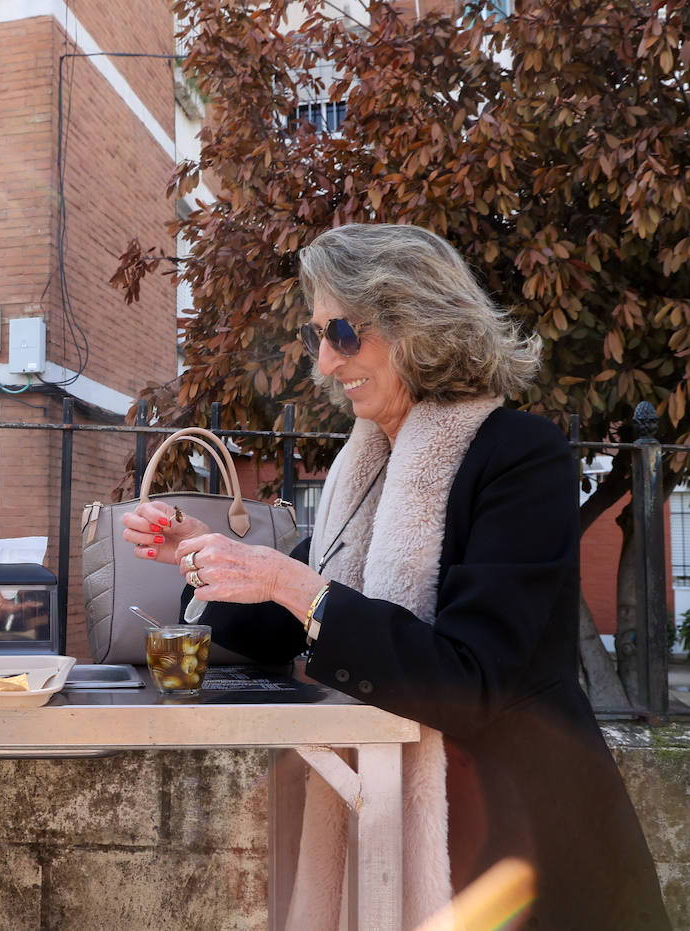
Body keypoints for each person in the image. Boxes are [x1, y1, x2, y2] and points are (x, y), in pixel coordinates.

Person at [122, 224, 670, 929]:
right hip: (395, 823)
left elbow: (471, 677)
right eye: (319, 334)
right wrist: (206, 557)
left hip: (522, 848)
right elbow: (299, 625)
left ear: (414, 323)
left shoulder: (519, 455)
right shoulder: (366, 467)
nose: (325, 361)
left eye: (342, 332)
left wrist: (292, 582)